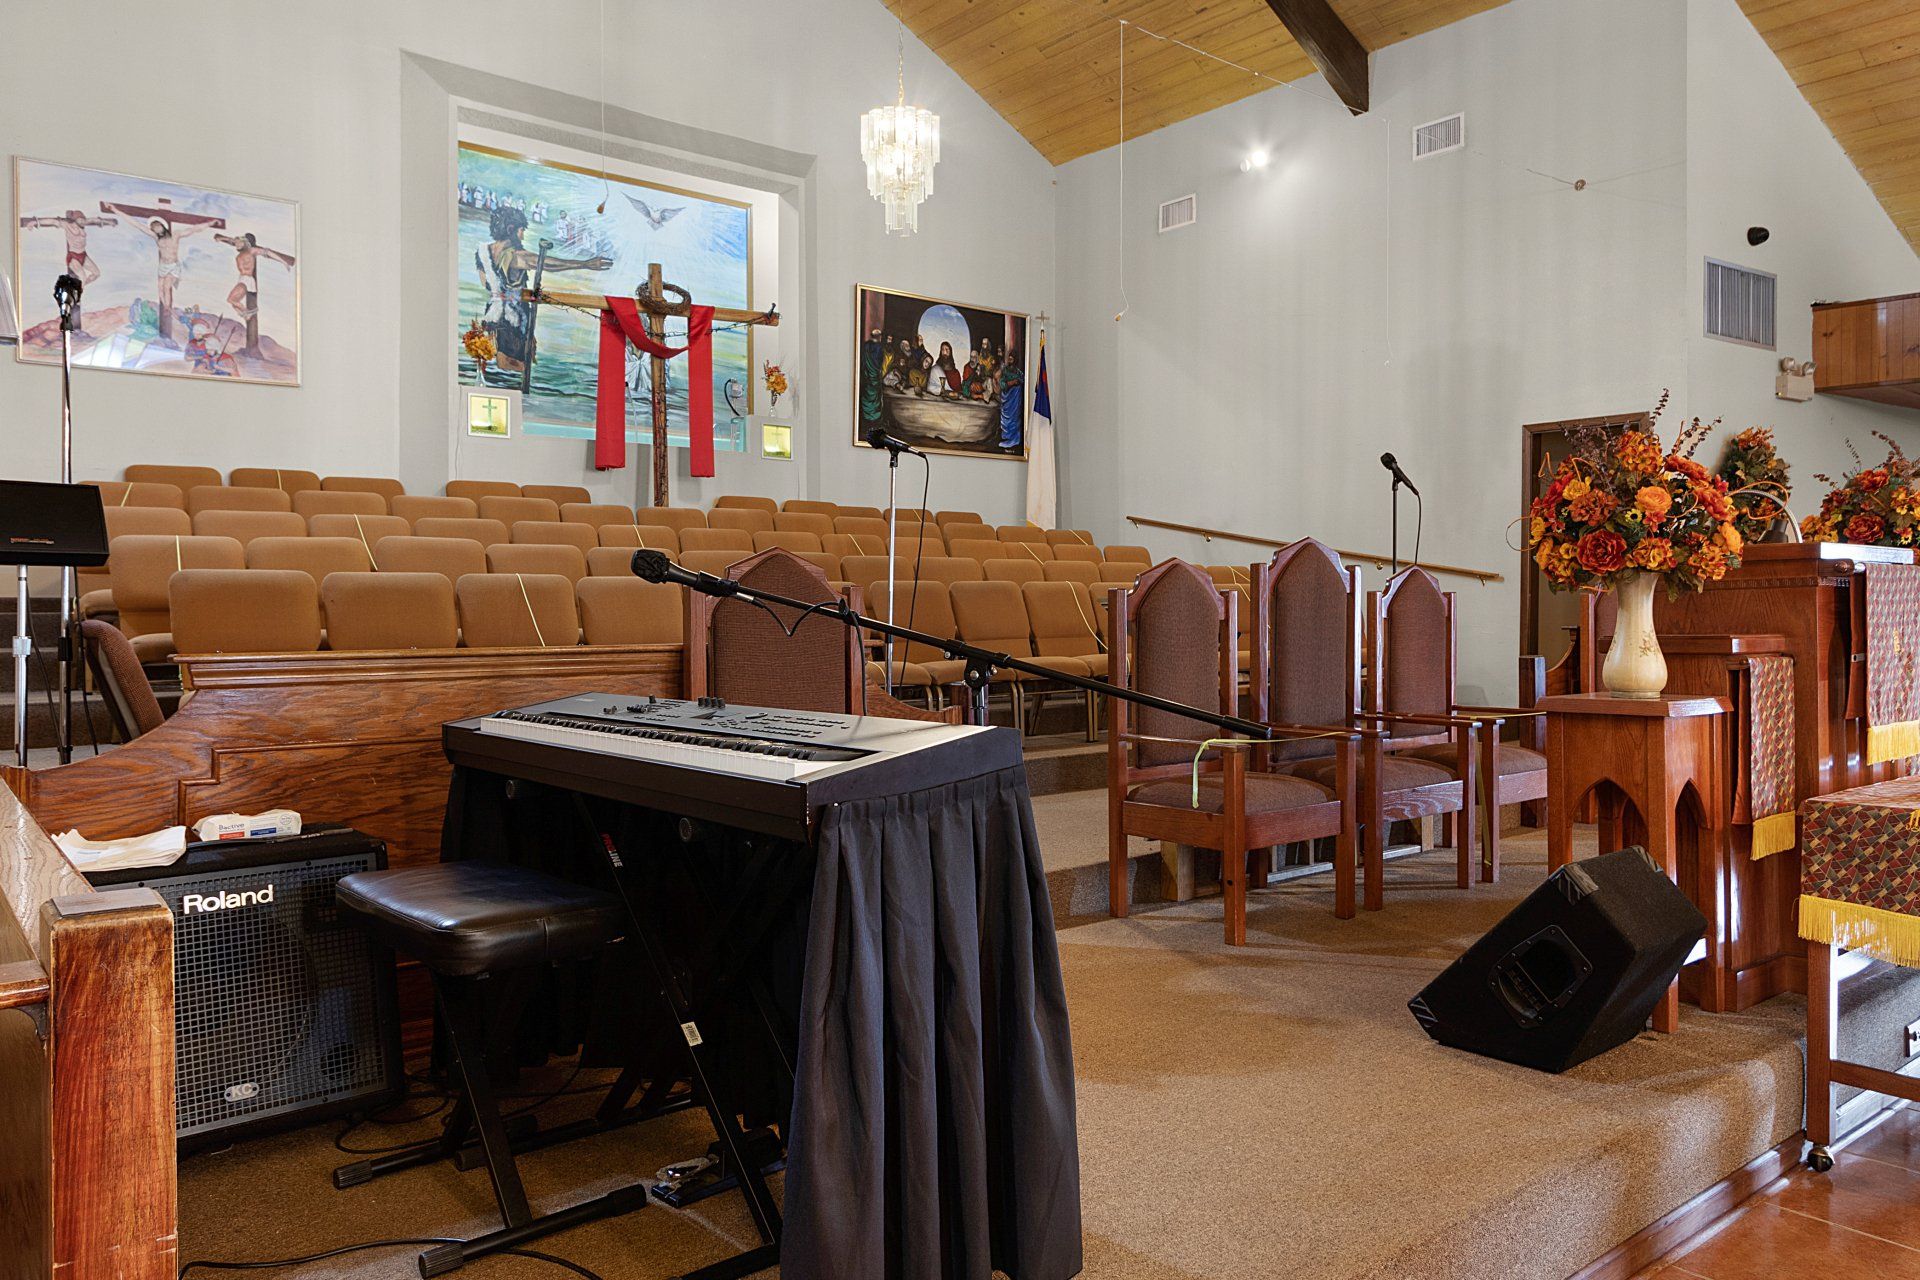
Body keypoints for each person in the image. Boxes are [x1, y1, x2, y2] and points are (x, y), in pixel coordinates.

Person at [476, 205, 610, 370]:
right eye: (521, 230)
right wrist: (585, 264)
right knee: (518, 365)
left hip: (493, 316)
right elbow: (549, 264)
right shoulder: (515, 256)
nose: (523, 235)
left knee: (502, 362)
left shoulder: (483, 253)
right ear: (510, 229)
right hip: (515, 318)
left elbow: (485, 283)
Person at [127, 216, 214, 339]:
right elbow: (137, 224)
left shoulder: (175, 235)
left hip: (173, 266)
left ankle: (167, 307)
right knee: (160, 288)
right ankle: (165, 305)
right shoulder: (156, 238)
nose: (157, 229)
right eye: (154, 228)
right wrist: (115, 210)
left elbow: (193, 229)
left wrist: (210, 223)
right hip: (163, 266)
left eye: (158, 226)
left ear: (163, 226)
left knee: (167, 286)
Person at [212, 231, 296, 320]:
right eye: (236, 243)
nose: (236, 245)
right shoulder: (240, 253)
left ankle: (249, 312)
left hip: (247, 279)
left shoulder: (251, 251)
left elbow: (267, 252)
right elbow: (232, 240)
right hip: (241, 278)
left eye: (239, 243)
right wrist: (221, 238)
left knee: (231, 299)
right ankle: (246, 315)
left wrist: (283, 262)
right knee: (234, 303)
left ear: (245, 243)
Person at [20, 209, 117, 285]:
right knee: (82, 277)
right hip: (73, 256)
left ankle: (78, 288)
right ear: (75, 220)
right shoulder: (67, 225)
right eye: (80, 219)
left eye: (83, 219)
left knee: (96, 274)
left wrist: (109, 222)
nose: (83, 221)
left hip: (83, 255)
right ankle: (77, 294)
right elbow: (53, 222)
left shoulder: (84, 223)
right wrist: (35, 222)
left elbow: (96, 220)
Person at [997, 346, 1024, 450]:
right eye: (1009, 358)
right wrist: (1011, 383)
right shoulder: (1005, 371)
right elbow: (1002, 383)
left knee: (1014, 418)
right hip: (1007, 398)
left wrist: (1017, 382)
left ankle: (1013, 439)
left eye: (1012, 359)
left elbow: (1022, 379)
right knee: (1005, 418)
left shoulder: (1018, 372)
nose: (1009, 360)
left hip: (1014, 399)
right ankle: (1006, 437)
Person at [860, 326, 886, 424]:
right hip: (874, 376)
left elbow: (863, 361)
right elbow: (880, 363)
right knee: (874, 396)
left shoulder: (866, 346)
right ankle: (874, 418)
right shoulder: (880, 348)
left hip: (867, 375)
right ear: (879, 337)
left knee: (868, 395)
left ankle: (867, 417)